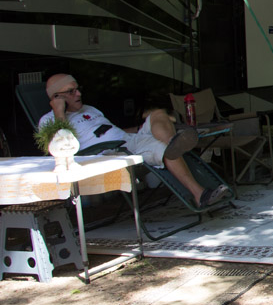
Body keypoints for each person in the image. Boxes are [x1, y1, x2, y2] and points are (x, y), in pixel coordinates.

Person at [39, 74, 228, 209]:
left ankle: (173, 143)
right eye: (70, 92)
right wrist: (59, 112)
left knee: (157, 114)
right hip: (110, 154)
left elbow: (113, 131)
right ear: (57, 97)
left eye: (78, 89)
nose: (78, 94)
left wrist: (143, 129)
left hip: (126, 141)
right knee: (160, 148)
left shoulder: (90, 109)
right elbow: (58, 150)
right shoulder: (49, 121)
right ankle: (199, 194)